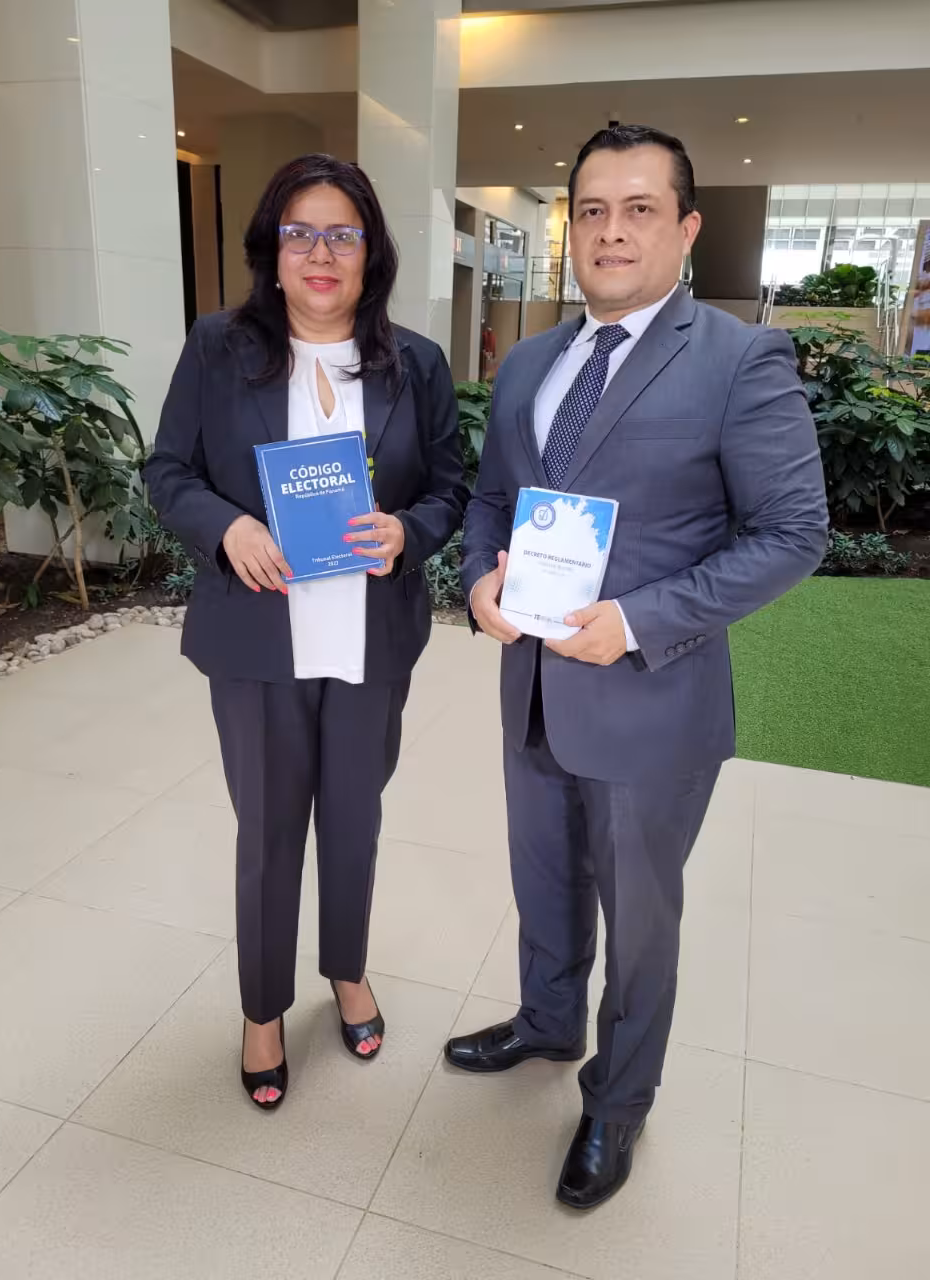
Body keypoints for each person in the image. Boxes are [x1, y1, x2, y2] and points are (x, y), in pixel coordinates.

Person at [445, 124, 828, 1208]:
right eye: (594, 210)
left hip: (652, 700)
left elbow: (793, 532)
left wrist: (638, 619)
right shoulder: (532, 360)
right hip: (532, 684)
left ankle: (618, 1100)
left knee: (642, 917)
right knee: (543, 875)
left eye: (640, 209)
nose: (612, 232)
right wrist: (477, 582)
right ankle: (547, 1017)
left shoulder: (738, 359)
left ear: (687, 228)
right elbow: (491, 501)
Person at [147, 154, 467, 1111]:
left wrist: (407, 531)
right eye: (300, 233)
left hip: (370, 637)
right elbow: (169, 471)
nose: (320, 254)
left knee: (356, 821)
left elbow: (450, 486)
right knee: (269, 831)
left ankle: (347, 970)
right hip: (259, 639)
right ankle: (262, 1010)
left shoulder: (416, 363)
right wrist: (228, 528)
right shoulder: (218, 348)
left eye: (342, 235)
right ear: (272, 250)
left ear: (371, 254)